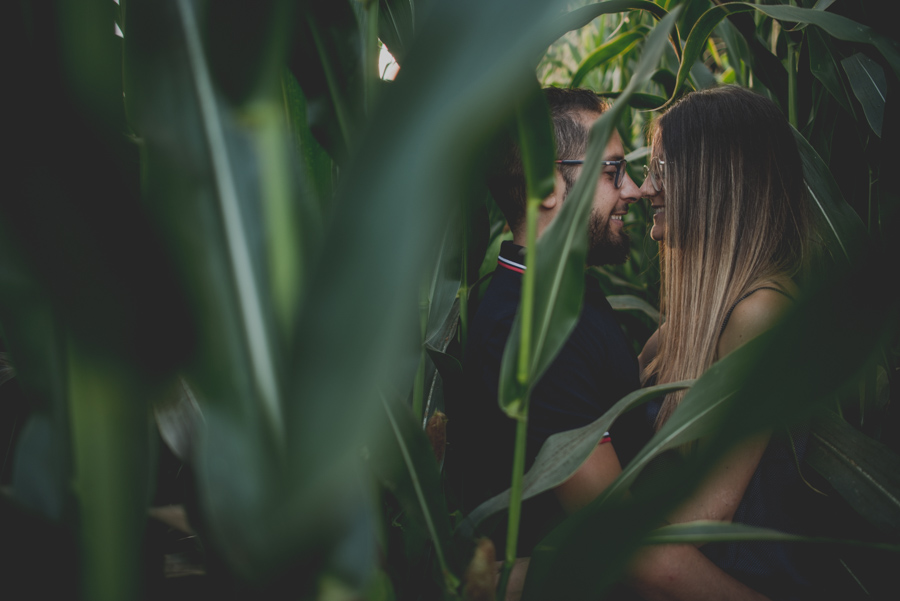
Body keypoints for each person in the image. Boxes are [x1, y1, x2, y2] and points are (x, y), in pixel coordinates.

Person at [455, 87, 770, 601]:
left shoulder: (566, 293)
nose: (634, 190)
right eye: (613, 171)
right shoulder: (532, 332)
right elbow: (626, 548)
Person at [636, 85, 812, 600]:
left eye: (661, 170)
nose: (645, 189)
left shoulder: (762, 312)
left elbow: (706, 515)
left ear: (715, 181)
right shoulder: (692, 323)